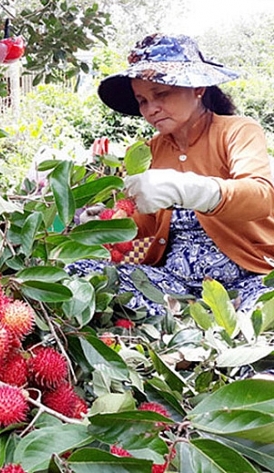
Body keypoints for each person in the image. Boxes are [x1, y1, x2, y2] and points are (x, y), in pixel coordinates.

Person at [69, 33, 274, 315]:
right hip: (173, 288)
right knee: (78, 274)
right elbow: (146, 222)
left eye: (161, 94)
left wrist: (191, 190)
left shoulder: (238, 131)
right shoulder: (146, 152)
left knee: (261, 331)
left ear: (198, 88)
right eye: (142, 100)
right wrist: (107, 221)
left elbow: (260, 196)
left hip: (249, 280)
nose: (151, 109)